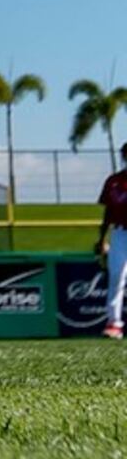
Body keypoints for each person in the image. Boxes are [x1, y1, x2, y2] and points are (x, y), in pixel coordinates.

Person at [96, 144, 127, 339]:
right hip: (120, 233)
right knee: (117, 275)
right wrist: (101, 238)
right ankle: (114, 323)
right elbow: (107, 212)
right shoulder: (114, 181)